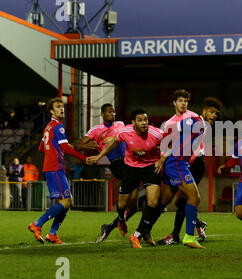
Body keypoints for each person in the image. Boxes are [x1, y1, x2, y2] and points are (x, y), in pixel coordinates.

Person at [87, 109, 166, 249]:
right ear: (133, 123)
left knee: (153, 202)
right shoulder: (124, 131)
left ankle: (138, 234)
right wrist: (98, 157)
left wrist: (162, 160)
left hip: (150, 167)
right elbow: (114, 143)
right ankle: (121, 220)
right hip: (131, 168)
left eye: (146, 120)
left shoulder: (156, 133)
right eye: (140, 120)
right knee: (124, 206)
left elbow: (171, 145)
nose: (144, 123)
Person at [157, 96, 223, 245]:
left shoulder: (204, 125)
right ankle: (194, 226)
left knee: (184, 200)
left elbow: (194, 148)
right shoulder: (197, 121)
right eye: (212, 112)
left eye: (216, 114)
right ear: (204, 110)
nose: (214, 116)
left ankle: (178, 235)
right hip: (188, 163)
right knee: (182, 200)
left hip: (194, 163)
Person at [75, 103, 140, 243]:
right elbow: (77, 145)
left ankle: (110, 226)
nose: (113, 114)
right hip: (117, 163)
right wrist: (86, 145)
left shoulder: (121, 124)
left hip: (131, 160)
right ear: (102, 114)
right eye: (109, 112)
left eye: (114, 112)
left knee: (134, 206)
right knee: (130, 198)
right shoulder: (96, 130)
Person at [28, 97, 88, 244]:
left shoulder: (48, 127)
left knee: (67, 201)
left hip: (51, 168)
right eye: (58, 107)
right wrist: (83, 158)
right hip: (55, 168)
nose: (62, 109)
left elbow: (41, 148)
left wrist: (52, 146)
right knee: (66, 201)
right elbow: (66, 148)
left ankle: (53, 233)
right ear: (51, 111)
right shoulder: (58, 127)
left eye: (62, 106)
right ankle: (37, 224)